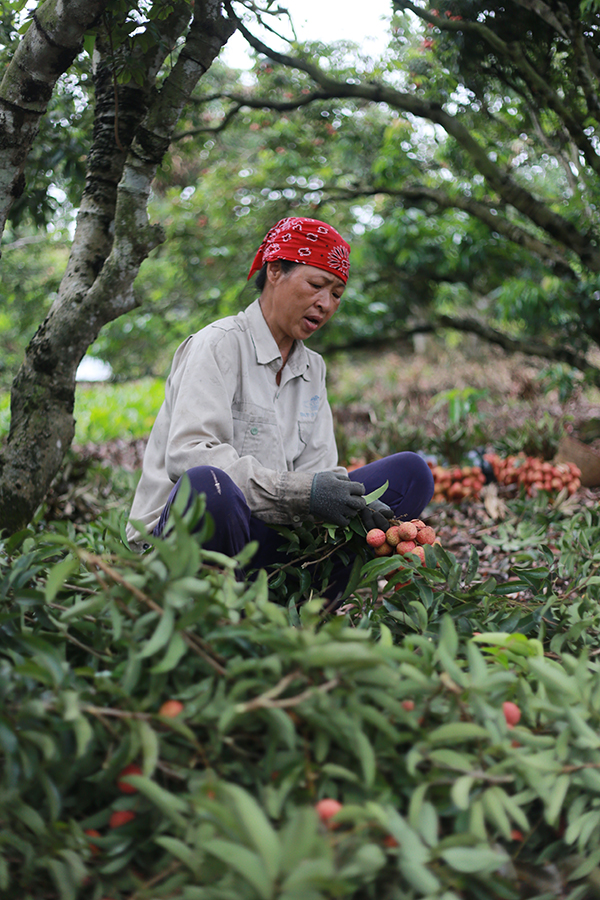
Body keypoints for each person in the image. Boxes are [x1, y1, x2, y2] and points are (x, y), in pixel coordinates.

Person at [126, 216, 434, 597]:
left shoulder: (312, 368)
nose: (325, 303)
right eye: (316, 285)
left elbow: (320, 471)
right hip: (187, 540)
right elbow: (189, 457)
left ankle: (301, 613)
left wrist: (355, 510)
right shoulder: (218, 344)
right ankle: (215, 613)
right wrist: (303, 493)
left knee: (410, 474)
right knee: (210, 485)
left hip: (274, 543)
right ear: (275, 271)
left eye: (336, 294)